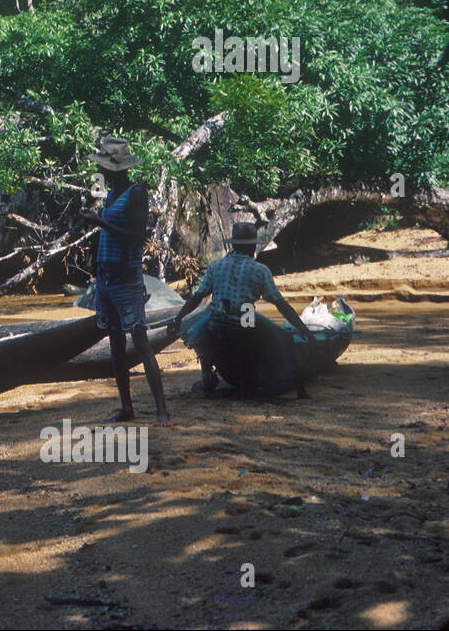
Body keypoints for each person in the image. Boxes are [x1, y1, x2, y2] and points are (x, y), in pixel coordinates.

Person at [77, 137, 170, 426]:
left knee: (140, 342)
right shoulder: (113, 193)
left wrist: (100, 222)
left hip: (126, 279)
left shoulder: (136, 192)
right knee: (116, 345)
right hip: (106, 278)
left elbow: (136, 236)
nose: (101, 173)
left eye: (104, 167)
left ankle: (161, 411)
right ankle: (127, 407)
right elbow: (108, 234)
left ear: (116, 169)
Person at [168, 222, 318, 398]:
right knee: (282, 335)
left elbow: (197, 297)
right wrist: (304, 330)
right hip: (245, 324)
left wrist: (178, 318)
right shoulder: (260, 270)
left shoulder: (216, 266)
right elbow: (281, 304)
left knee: (210, 318)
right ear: (253, 246)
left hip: (218, 323)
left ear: (233, 244)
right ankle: (300, 390)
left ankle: (206, 373)